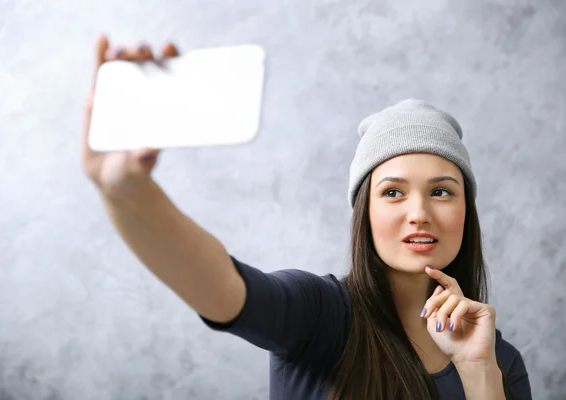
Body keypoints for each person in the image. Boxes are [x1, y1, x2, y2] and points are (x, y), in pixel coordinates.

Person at [82, 36, 532, 400]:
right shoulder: (319, 314)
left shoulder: (498, 359)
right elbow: (221, 288)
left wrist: (478, 373)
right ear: (365, 213)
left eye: (441, 192)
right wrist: (127, 192)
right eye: (392, 192)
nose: (419, 213)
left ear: (465, 213)